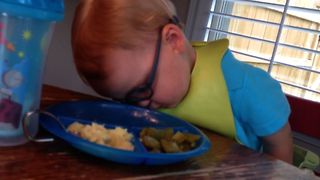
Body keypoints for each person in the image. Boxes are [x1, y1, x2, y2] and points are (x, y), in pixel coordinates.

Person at [71, 0, 293, 163]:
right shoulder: (149, 84)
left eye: (142, 89)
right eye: (126, 100)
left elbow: (278, 143)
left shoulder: (243, 85)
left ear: (173, 41)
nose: (139, 106)